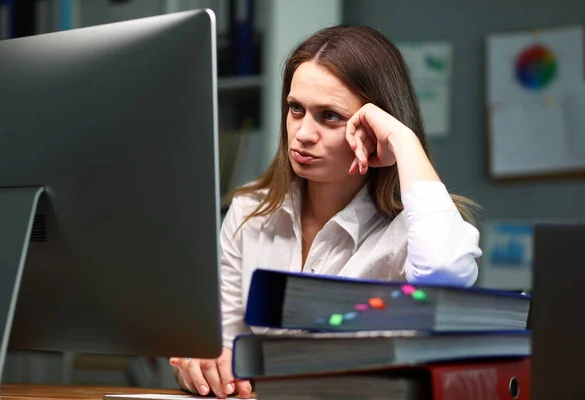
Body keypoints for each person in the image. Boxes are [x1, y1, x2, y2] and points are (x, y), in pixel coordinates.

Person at [170, 25, 482, 398]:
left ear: (374, 126)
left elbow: (443, 274)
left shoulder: (414, 232)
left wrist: (403, 141)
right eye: (296, 109)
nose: (302, 133)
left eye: (330, 116)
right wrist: (204, 368)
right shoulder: (249, 211)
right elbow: (224, 350)